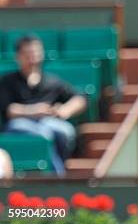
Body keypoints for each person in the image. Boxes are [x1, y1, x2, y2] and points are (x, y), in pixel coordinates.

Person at [0, 36, 87, 176]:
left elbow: (80, 98)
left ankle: (59, 170)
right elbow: (9, 110)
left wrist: (64, 110)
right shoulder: (8, 81)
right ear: (18, 56)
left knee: (65, 130)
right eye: (27, 54)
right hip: (18, 125)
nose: (32, 58)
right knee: (43, 135)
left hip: (47, 122)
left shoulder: (52, 81)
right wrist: (33, 111)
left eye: (35, 53)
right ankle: (57, 176)